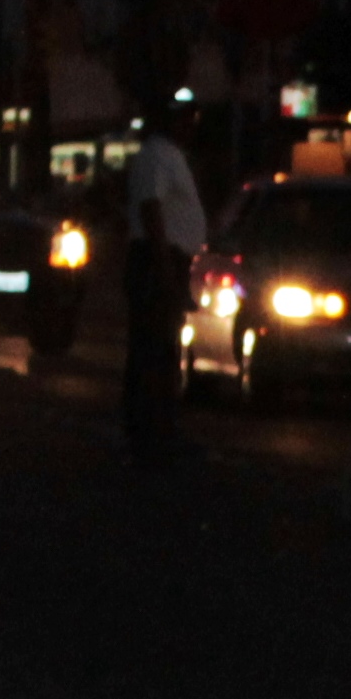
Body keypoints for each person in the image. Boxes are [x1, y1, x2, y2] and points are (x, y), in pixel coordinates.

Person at [122, 120, 205, 464]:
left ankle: (157, 430)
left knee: (161, 346)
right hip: (158, 260)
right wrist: (165, 266)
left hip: (166, 258)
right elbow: (151, 207)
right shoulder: (156, 155)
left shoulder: (169, 155)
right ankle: (151, 435)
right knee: (155, 348)